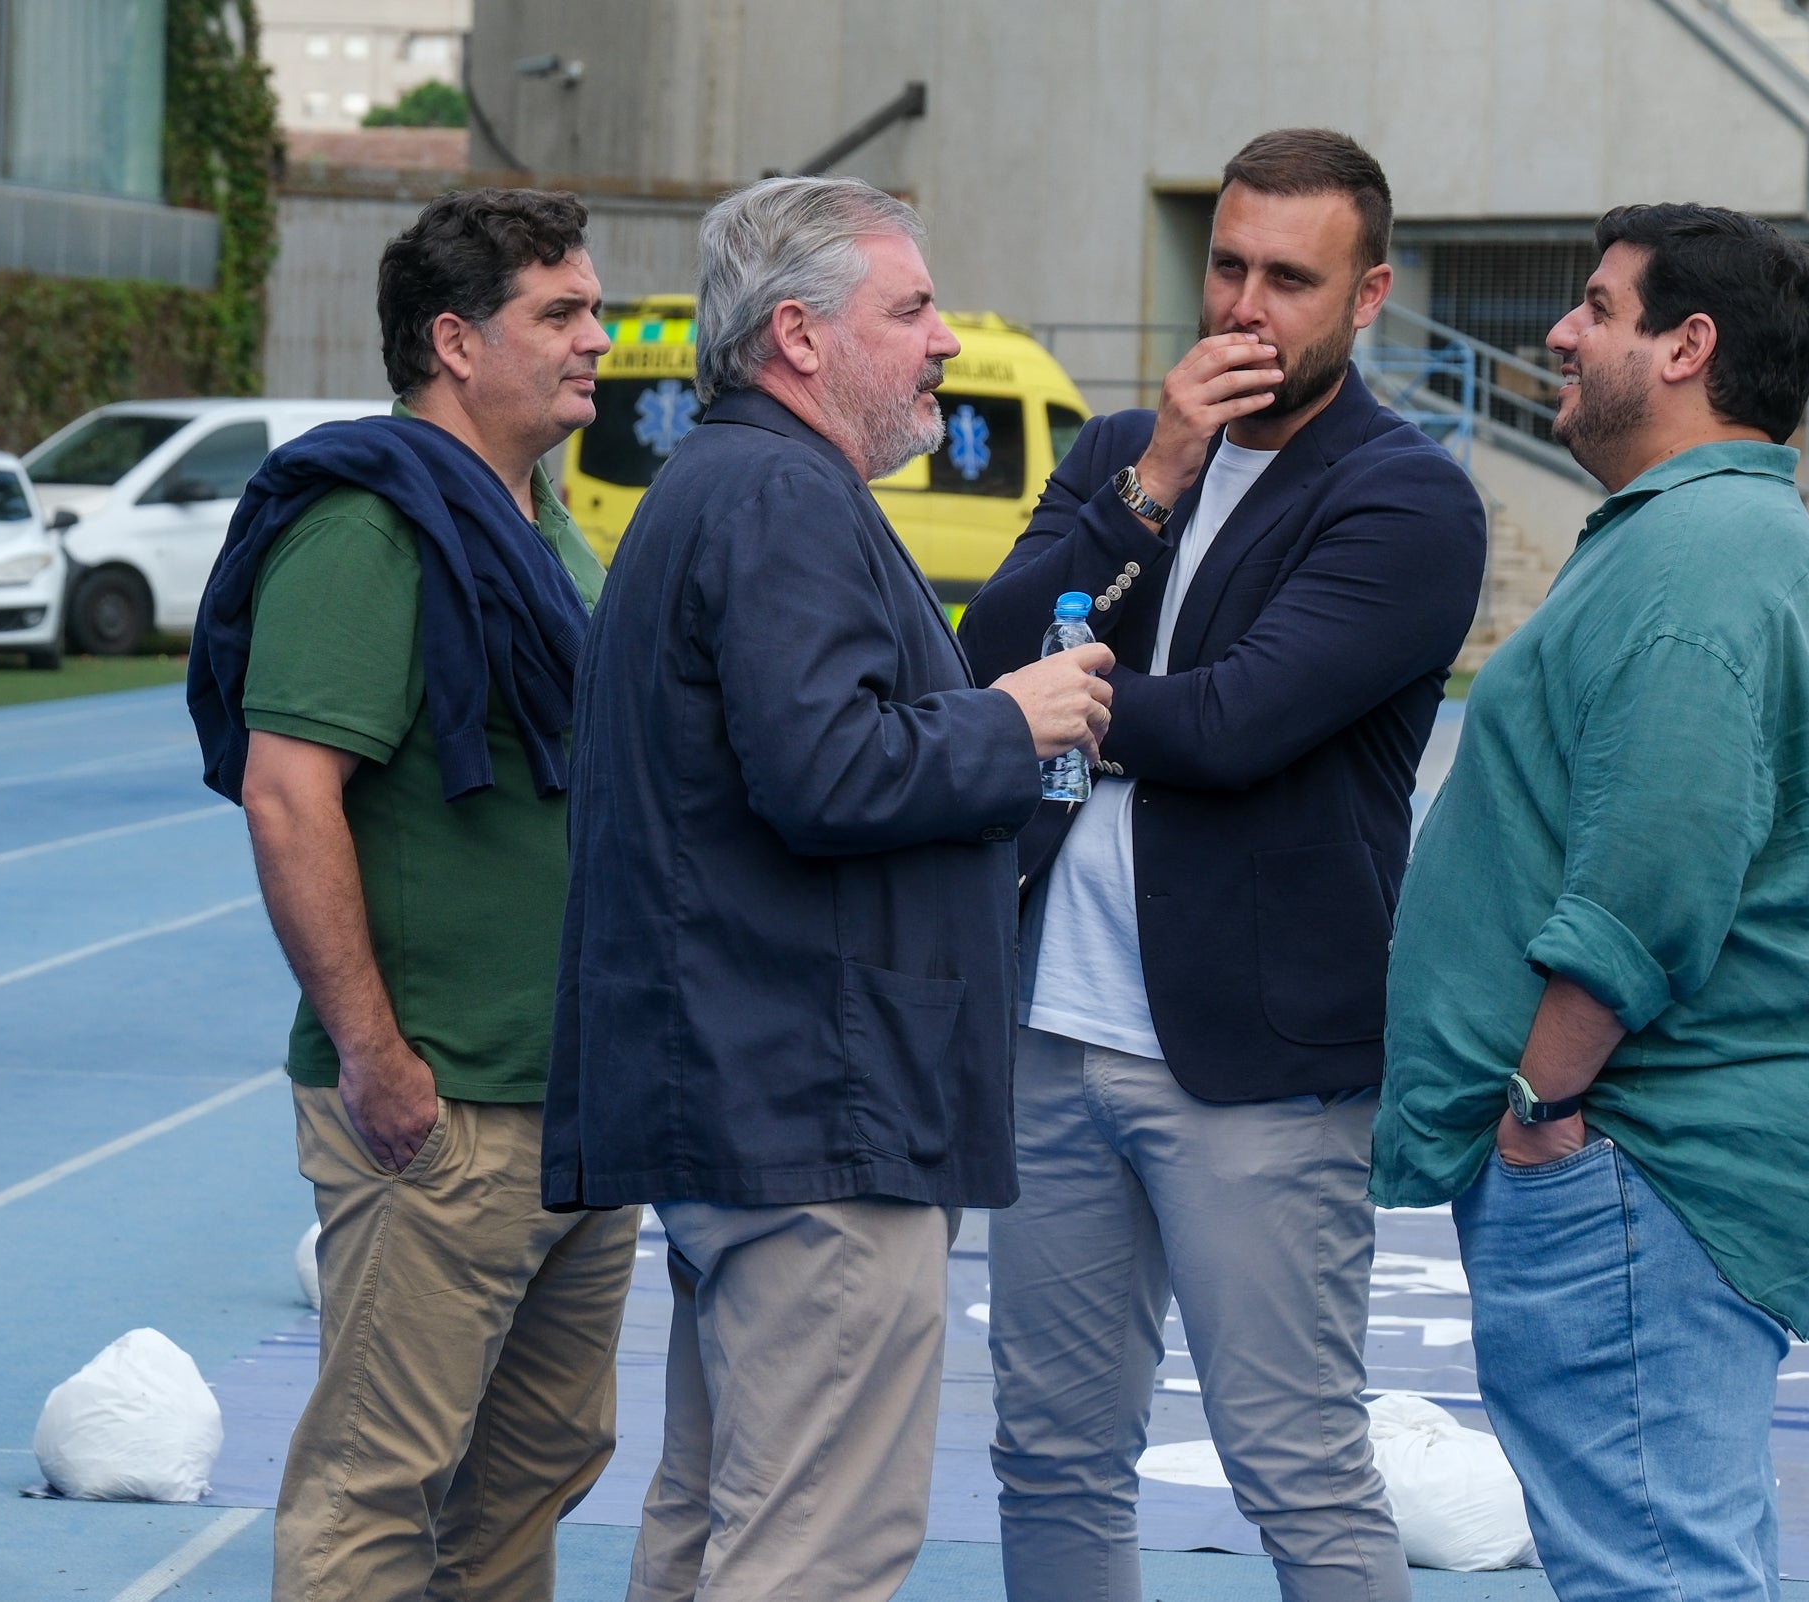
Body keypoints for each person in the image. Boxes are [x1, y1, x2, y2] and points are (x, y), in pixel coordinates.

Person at [542, 175, 1118, 1602]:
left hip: (761, 1096)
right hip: (816, 1113)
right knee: (818, 1548)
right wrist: (1012, 720)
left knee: (717, 1520)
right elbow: (826, 770)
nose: (943, 341)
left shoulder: (728, 487)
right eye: (912, 307)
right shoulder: (781, 497)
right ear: (799, 336)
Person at [958, 128, 1486, 1602]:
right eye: (1228, 267)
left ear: (1369, 294)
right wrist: (1156, 476)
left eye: (1290, 281)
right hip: (1050, 1031)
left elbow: (1240, 720)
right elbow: (989, 651)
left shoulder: (1409, 498)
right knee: (1049, 1454)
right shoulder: (1129, 450)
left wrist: (1056, 696)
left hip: (1258, 1065)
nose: (1246, 308)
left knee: (1296, 1466)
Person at [1371, 205, 1809, 1601]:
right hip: (1636, 1158)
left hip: (1627, 1154)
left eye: (1596, 306)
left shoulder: (1698, 556)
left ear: (1685, 346)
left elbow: (1656, 870)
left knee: (1657, 1575)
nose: (1558, 332)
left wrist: (1539, 1106)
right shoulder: (1699, 533)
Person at [187, 188, 639, 1602]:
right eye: (559, 313)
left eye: (593, 306)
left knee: (535, 1465)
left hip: (572, 1097)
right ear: (456, 340)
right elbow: (287, 792)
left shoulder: (542, 519)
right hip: (440, 1109)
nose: (598, 339)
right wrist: (379, 1059)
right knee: (379, 1489)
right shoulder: (371, 532)